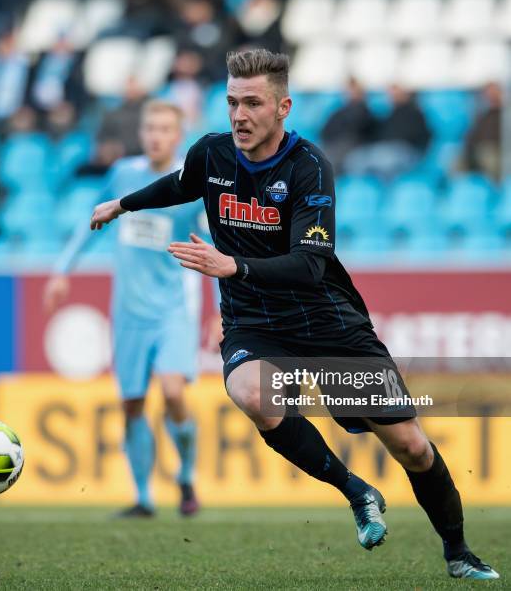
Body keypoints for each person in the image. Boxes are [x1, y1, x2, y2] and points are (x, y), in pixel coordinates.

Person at [89, 49, 499, 580]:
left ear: (283, 107)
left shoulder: (309, 167)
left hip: (326, 322)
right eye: (233, 102)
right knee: (252, 393)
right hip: (254, 323)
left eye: (253, 103)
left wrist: (230, 264)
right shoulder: (211, 155)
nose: (239, 115)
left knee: (410, 446)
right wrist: (123, 204)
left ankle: (459, 551)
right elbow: (179, 184)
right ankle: (356, 492)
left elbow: (310, 264)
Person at [45, 100, 211, 517]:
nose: (155, 135)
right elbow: (95, 217)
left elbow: (213, 252)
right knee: (132, 403)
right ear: (142, 132)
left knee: (173, 391)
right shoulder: (124, 174)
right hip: (128, 314)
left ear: (178, 136)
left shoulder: (190, 187)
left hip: (173, 309)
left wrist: (226, 310)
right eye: (150, 127)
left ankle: (187, 477)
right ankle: (142, 497)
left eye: (164, 129)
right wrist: (63, 270)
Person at [345, 83, 430, 182]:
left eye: (396, 90)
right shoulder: (390, 114)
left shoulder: (416, 113)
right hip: (384, 149)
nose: (393, 94)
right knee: (354, 159)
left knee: (386, 159)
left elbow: (419, 139)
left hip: (405, 152)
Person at [460, 81, 502, 182]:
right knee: (458, 163)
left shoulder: (505, 115)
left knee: (488, 156)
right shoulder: (483, 115)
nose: (490, 96)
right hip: (478, 150)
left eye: (493, 92)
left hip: (495, 151)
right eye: (488, 93)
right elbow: (472, 136)